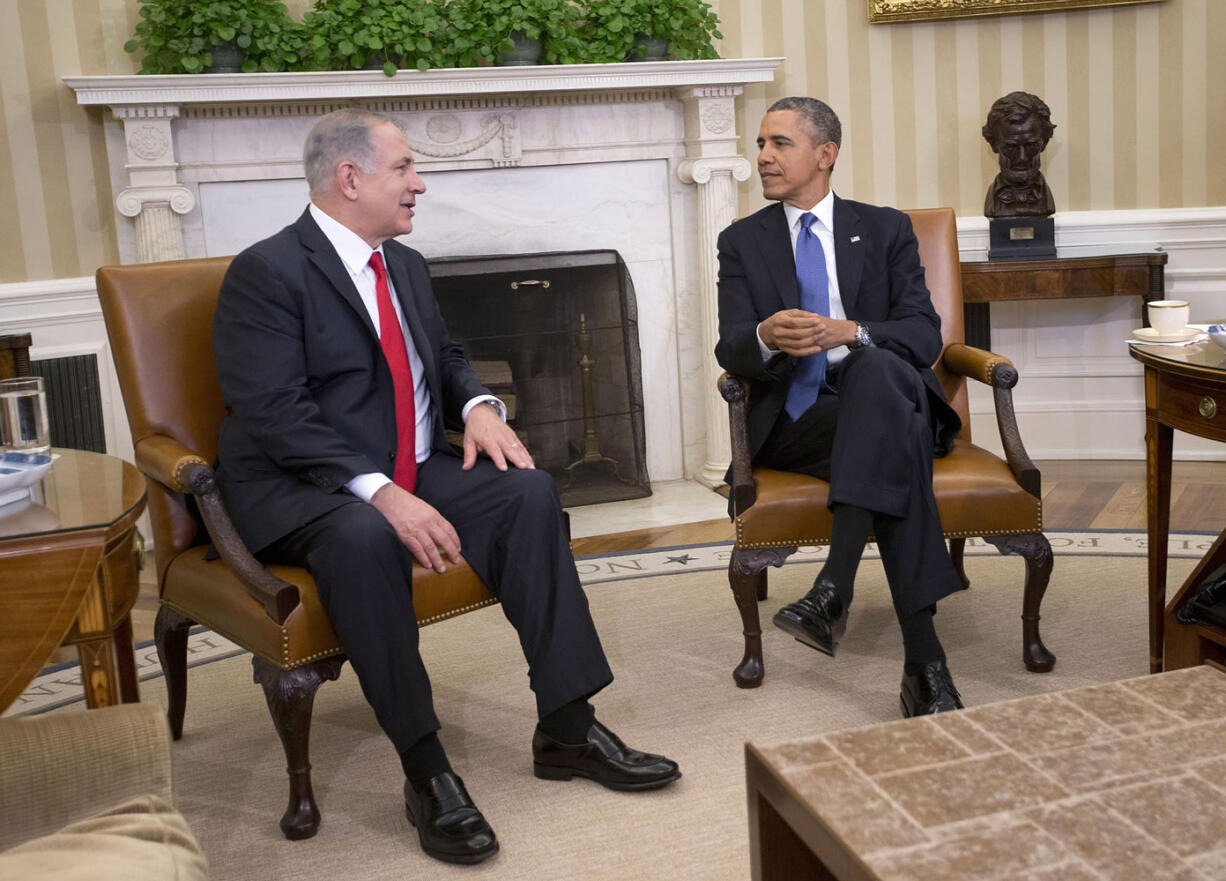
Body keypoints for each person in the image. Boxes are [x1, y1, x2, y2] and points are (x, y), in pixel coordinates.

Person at [212, 108, 679, 866]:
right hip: (305, 485)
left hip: (409, 463)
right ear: (350, 177)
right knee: (365, 536)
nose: (420, 183)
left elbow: (446, 351)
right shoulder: (267, 273)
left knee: (527, 491)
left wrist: (478, 406)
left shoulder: (405, 263)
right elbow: (273, 415)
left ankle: (566, 724)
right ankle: (426, 769)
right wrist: (380, 492)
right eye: (404, 168)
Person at [714, 96, 965, 718]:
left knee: (878, 368)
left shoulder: (884, 228)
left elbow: (923, 336)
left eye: (779, 144)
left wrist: (848, 331)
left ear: (824, 155)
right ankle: (923, 664)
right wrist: (767, 336)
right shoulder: (742, 241)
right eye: (762, 144)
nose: (763, 157)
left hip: (879, 401)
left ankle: (836, 590)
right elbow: (730, 345)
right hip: (799, 421)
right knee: (894, 443)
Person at [981, 91, 1057, 218]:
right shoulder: (993, 203)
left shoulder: (1046, 199)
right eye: (1011, 147)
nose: (1022, 157)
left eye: (1031, 146)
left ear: (1044, 143)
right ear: (994, 144)